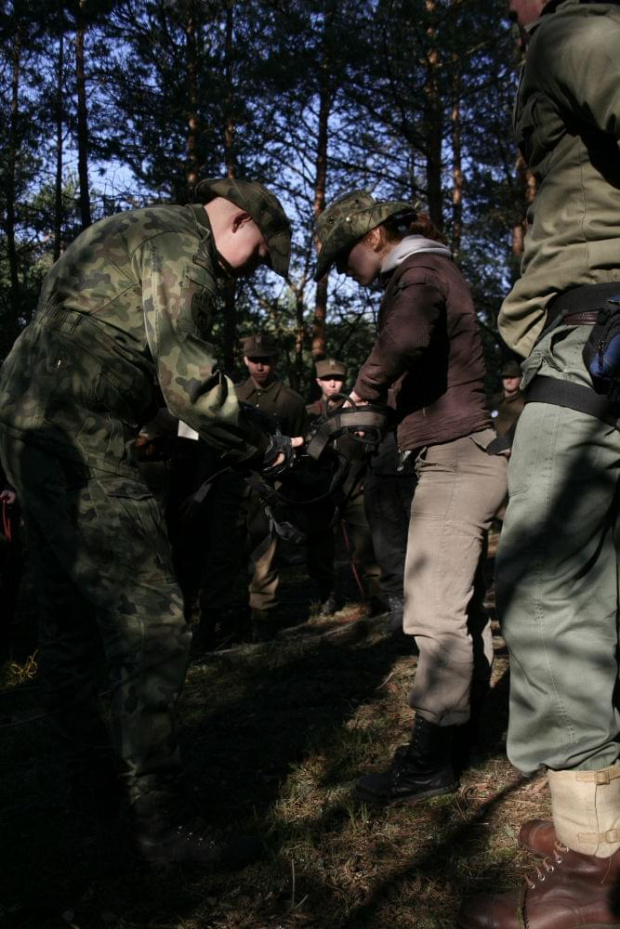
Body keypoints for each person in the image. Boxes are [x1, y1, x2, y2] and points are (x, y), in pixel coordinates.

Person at [0, 177, 301, 866]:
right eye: (261, 253)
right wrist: (267, 446)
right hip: (78, 433)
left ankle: (92, 801)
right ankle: (157, 823)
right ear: (241, 221)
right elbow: (188, 381)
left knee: (71, 626)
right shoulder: (182, 245)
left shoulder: (133, 228)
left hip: (29, 423)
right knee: (156, 619)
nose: (255, 269)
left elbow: (131, 355)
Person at [459, 2, 620, 927]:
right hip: (595, 333)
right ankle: (596, 829)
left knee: (546, 580)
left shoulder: (572, 30)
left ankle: (591, 884)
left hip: (594, 333)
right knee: (597, 582)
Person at [314, 190, 507, 803]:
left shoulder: (418, 271)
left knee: (434, 613)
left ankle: (428, 767)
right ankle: (460, 738)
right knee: (464, 609)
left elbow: (403, 342)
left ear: (373, 237)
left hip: (455, 461)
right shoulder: (434, 266)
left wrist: (362, 393)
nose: (347, 271)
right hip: (461, 454)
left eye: (345, 258)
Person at [198, 332, 308, 643]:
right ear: (245, 360)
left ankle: (263, 620)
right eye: (255, 360)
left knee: (265, 556)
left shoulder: (291, 401)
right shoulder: (228, 396)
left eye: (267, 361)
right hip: (229, 485)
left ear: (275, 362)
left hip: (268, 490)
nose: (261, 366)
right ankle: (210, 621)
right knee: (220, 554)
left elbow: (299, 448)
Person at [305, 358, 382, 615]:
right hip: (322, 492)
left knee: (366, 544)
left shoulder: (358, 411)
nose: (332, 383)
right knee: (320, 549)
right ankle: (328, 594)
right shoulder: (310, 413)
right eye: (327, 379)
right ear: (318, 382)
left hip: (355, 486)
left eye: (337, 378)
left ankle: (374, 595)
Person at [490, 358, 524, 438]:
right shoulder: (492, 401)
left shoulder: (524, 404)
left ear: (520, 379)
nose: (509, 380)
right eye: (505, 377)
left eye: (513, 377)